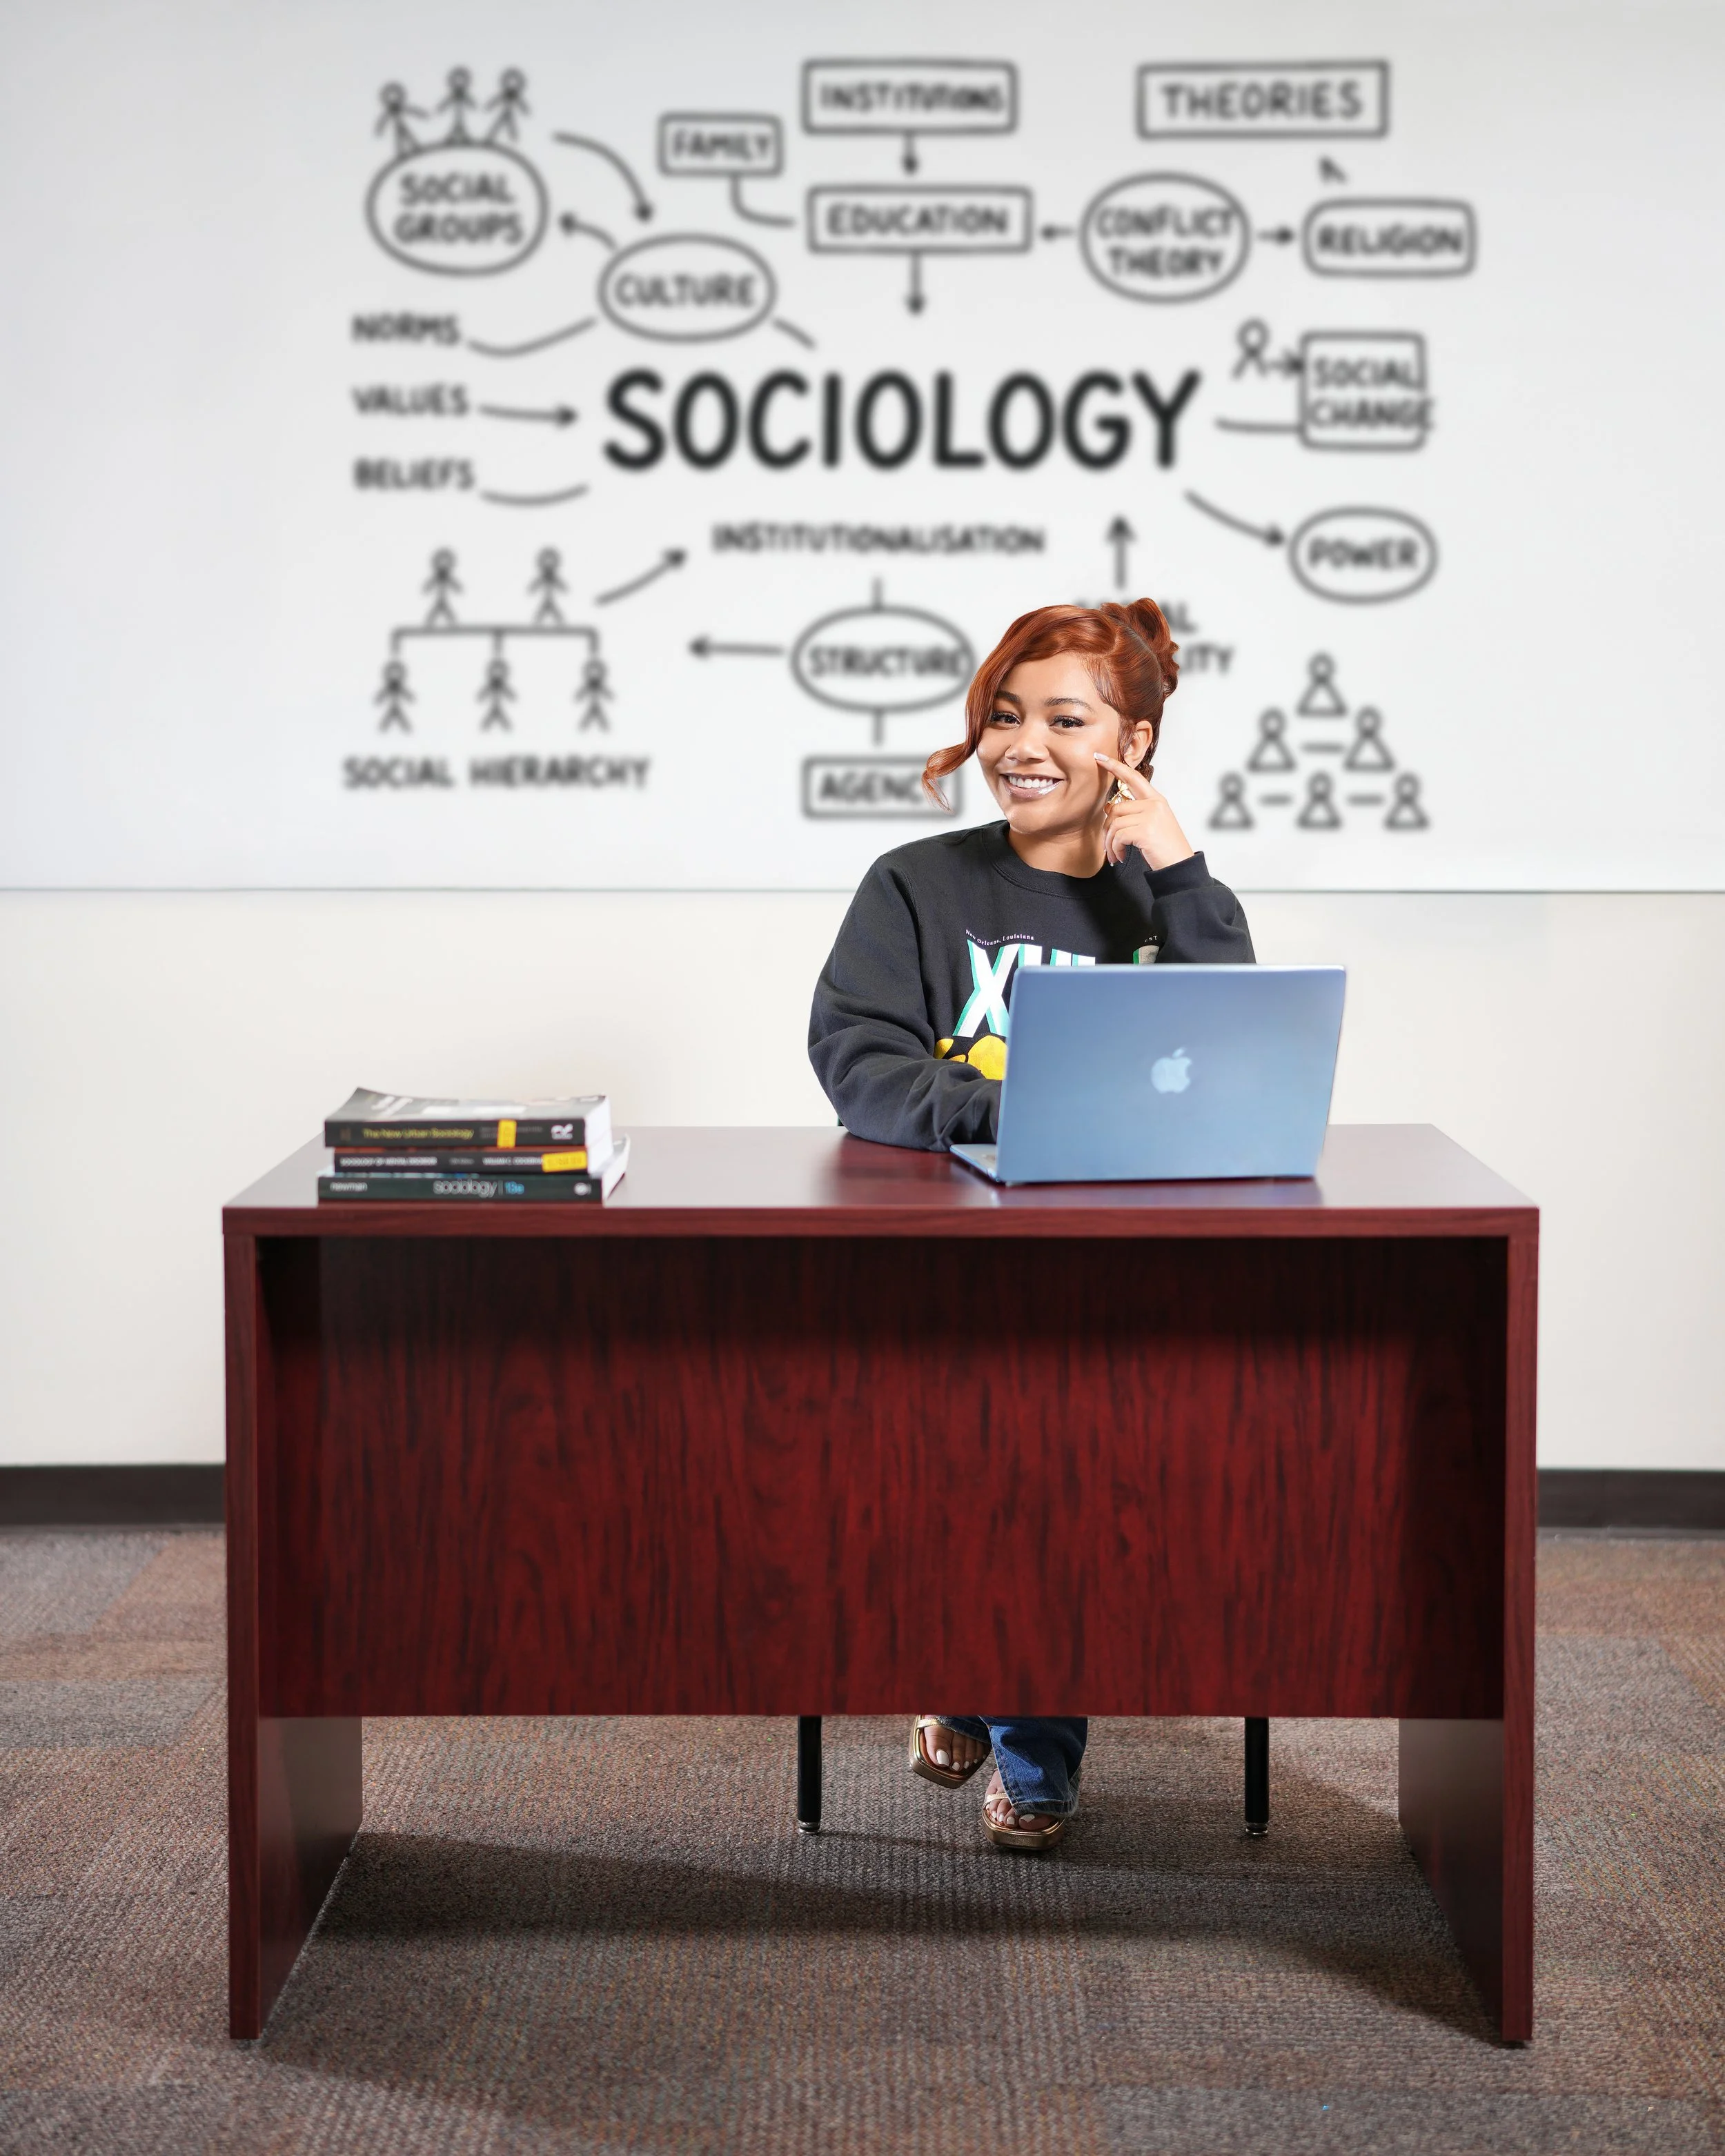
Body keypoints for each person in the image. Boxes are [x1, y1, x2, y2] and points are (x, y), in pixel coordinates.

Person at [807, 599, 1254, 1852]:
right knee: (960, 1447)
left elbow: (1230, 1053)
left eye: (1066, 718)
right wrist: (1022, 1108)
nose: (1024, 744)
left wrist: (1177, 867)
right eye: (1006, 714)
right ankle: (1007, 1719)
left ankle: (989, 1705)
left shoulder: (1158, 904)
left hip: (1107, 1276)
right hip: (936, 1263)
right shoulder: (916, 884)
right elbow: (859, 1062)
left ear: (1135, 744)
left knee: (1062, 1465)